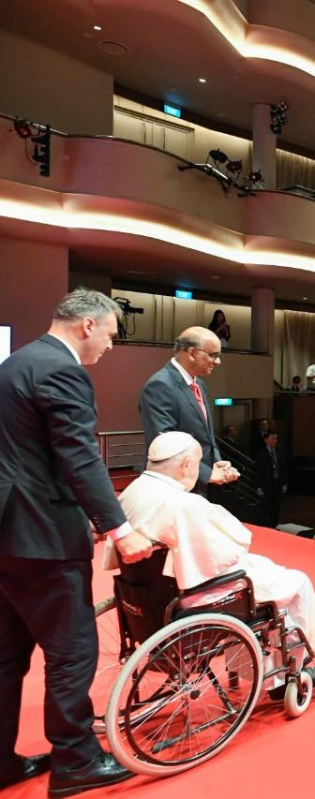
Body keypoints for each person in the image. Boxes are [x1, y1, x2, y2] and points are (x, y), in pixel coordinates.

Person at [0, 289, 154, 796]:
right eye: (111, 335)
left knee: (6, 654)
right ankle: (75, 762)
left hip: (7, 531)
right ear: (87, 325)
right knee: (72, 651)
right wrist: (120, 528)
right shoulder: (62, 370)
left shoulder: (16, 363)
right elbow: (79, 456)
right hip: (43, 534)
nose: (110, 346)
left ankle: (1, 760)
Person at [110, 433, 315, 688]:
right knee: (298, 581)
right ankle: (292, 670)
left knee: (264, 568)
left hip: (149, 594)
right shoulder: (184, 505)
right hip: (198, 594)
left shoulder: (130, 492)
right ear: (186, 465)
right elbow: (227, 552)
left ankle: (264, 669)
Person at [139, 326, 239, 496]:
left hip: (198, 483)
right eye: (213, 355)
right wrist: (207, 473)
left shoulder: (199, 384)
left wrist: (216, 462)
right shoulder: (160, 385)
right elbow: (165, 444)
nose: (218, 362)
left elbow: (206, 435)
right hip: (174, 486)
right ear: (192, 353)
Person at [255, 432, 288, 528]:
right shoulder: (261, 454)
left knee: (276, 507)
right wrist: (258, 487)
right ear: (266, 440)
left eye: (276, 438)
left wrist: (285, 483)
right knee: (265, 507)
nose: (275, 440)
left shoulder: (279, 452)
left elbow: (283, 468)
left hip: (277, 483)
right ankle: (264, 527)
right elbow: (258, 471)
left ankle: (274, 525)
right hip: (266, 484)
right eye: (273, 438)